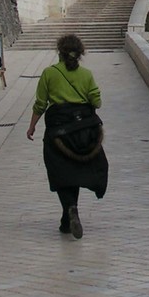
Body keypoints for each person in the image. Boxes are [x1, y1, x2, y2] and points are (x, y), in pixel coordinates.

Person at [26, 34, 108, 238]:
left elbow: (40, 104)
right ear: (80, 53)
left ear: (59, 52)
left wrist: (32, 126)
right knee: (75, 171)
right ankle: (67, 217)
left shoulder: (49, 73)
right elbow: (96, 102)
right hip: (83, 131)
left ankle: (70, 209)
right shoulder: (86, 74)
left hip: (58, 130)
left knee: (61, 171)